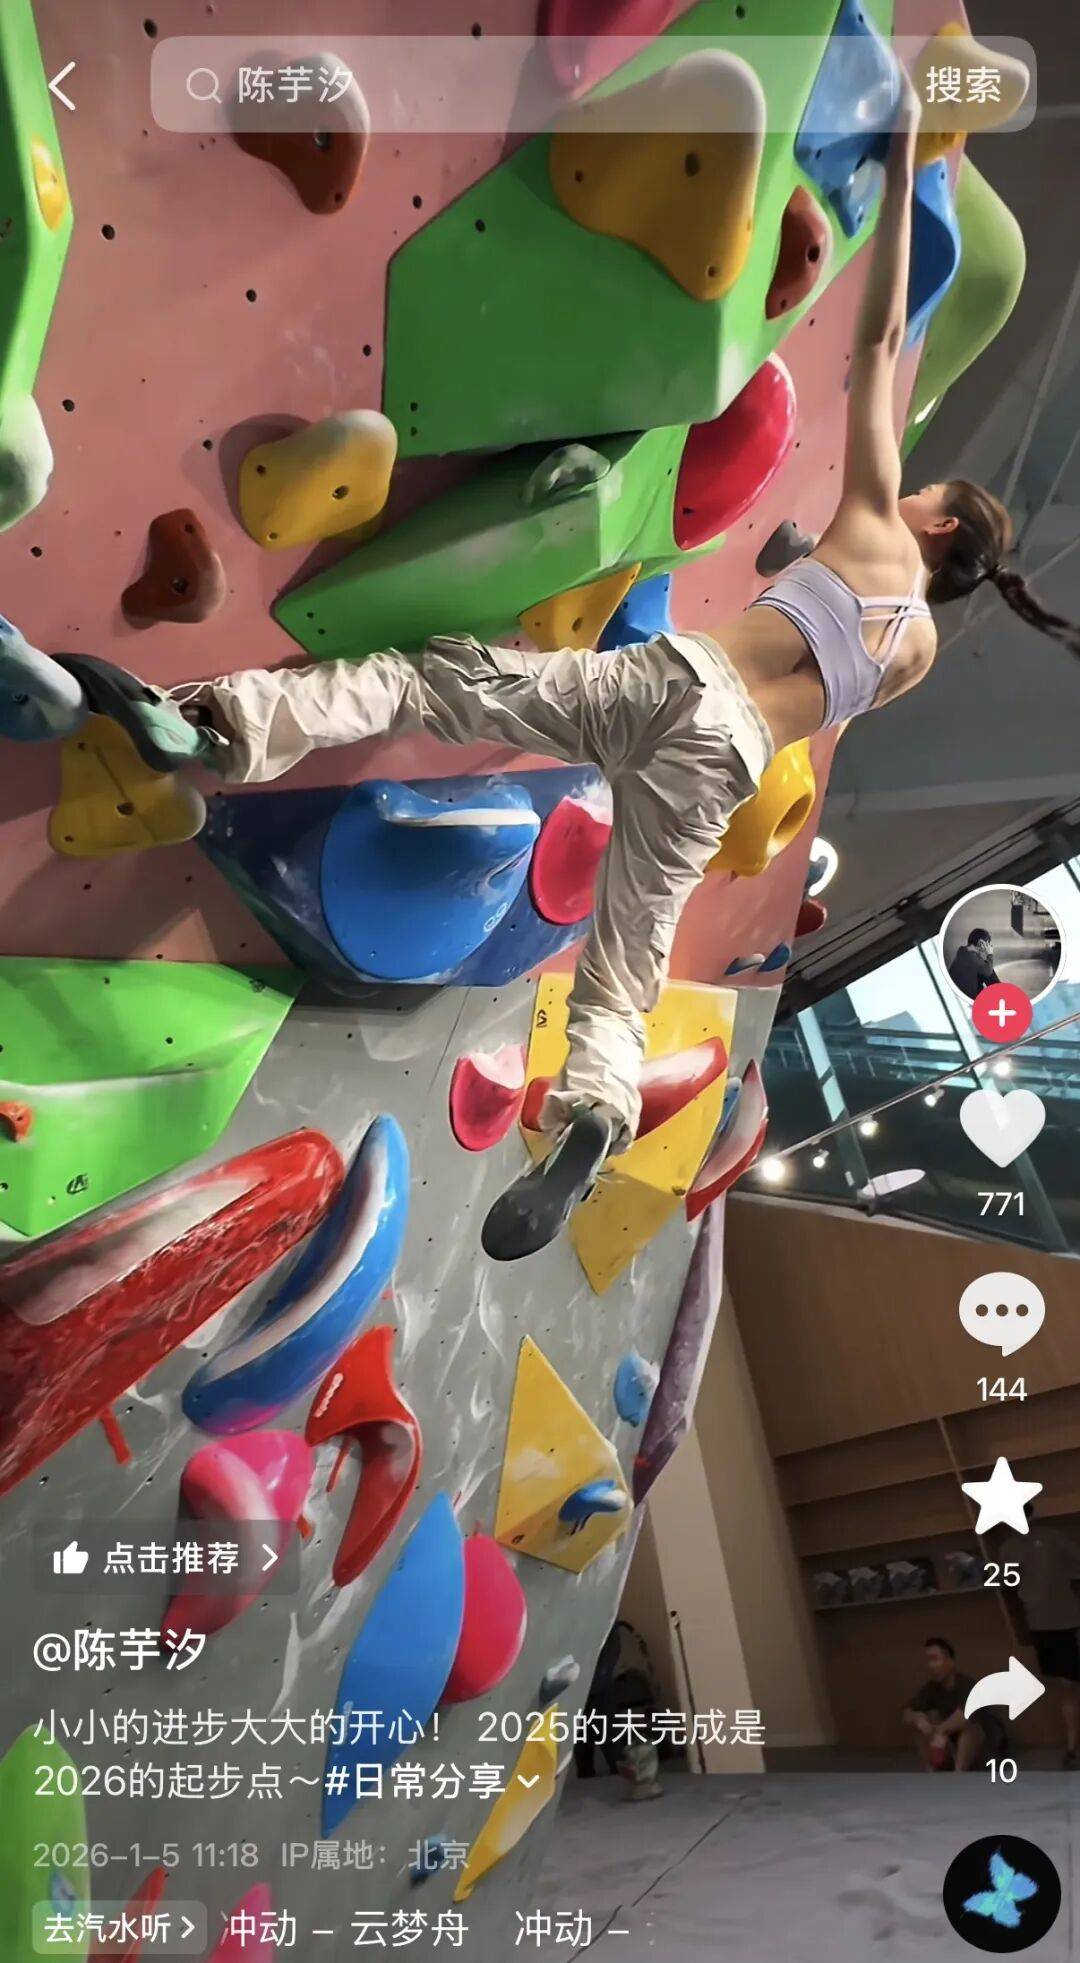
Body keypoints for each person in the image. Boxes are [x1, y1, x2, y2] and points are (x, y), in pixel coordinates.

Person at [38, 78, 1080, 1259]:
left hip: (676, 685)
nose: (916, 489)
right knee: (629, 957)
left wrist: (900, 184)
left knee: (436, 681)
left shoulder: (883, 524)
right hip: (726, 767)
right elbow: (825, 672)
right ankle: (594, 1110)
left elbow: (884, 341)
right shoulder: (918, 655)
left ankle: (215, 726)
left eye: (931, 492)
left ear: (940, 525)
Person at [998, 1502, 1080, 1769]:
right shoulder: (1008, 1549)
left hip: (1067, 1621)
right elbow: (1008, 1586)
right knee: (1064, 1686)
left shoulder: (1051, 1537)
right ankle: (1072, 1748)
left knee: (1069, 1685)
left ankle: (1071, 1748)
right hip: (1040, 1625)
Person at [902, 1636, 1008, 1772]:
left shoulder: (967, 1685)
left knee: (970, 1728)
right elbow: (907, 1712)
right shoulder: (931, 1689)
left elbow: (963, 1716)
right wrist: (918, 1719)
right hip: (951, 1747)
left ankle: (958, 1776)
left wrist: (939, 1730)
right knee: (925, 1723)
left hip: (985, 1750)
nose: (931, 1665)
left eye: (935, 1659)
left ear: (950, 1662)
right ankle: (932, 1773)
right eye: (929, 1661)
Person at [948, 929, 1000, 1000]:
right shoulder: (972, 957)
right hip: (968, 998)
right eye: (988, 944)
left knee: (985, 967)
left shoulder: (963, 952)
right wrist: (990, 954)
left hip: (957, 995)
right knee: (988, 970)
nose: (989, 947)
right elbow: (988, 972)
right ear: (981, 943)